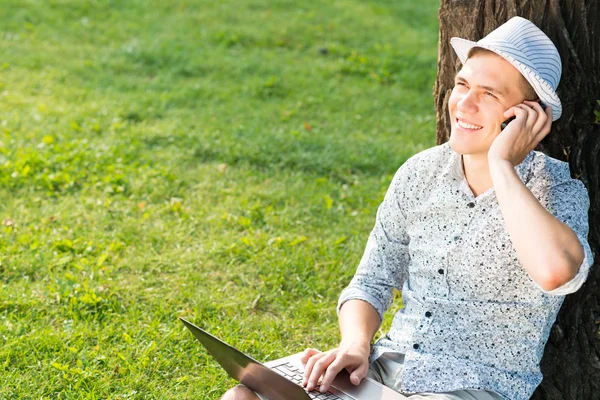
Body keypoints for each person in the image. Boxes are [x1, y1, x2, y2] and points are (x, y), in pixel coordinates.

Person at [220, 16, 593, 400]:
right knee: (244, 395)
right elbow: (372, 280)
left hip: (475, 385)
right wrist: (355, 344)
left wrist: (502, 166)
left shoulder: (557, 189)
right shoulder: (420, 172)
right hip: (385, 371)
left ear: (525, 114)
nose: (464, 104)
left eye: (489, 94)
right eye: (462, 84)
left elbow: (555, 273)